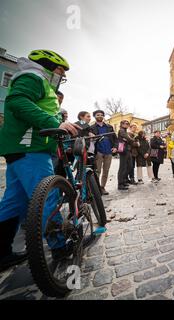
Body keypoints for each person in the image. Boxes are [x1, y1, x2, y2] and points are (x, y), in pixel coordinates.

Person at [0, 49, 80, 271]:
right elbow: (18, 102)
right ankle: (60, 246)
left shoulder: (39, 81)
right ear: (45, 66)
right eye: (59, 70)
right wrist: (53, 122)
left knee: (14, 202)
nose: (60, 76)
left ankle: (1, 253)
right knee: (47, 197)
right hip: (30, 147)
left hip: (21, 149)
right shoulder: (33, 77)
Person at [90, 110, 118, 195]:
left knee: (106, 171)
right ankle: (96, 189)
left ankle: (102, 187)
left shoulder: (109, 127)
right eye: (98, 115)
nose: (100, 116)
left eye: (101, 115)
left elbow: (115, 139)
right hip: (98, 152)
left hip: (108, 152)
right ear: (95, 116)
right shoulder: (92, 128)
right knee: (97, 171)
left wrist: (115, 147)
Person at [117, 120, 135, 190]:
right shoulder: (121, 131)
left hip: (128, 150)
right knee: (122, 167)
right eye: (125, 123)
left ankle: (124, 180)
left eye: (128, 124)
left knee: (129, 166)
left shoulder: (125, 132)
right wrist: (130, 139)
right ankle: (120, 184)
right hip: (123, 150)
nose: (127, 124)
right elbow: (129, 139)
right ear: (121, 124)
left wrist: (129, 139)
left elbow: (129, 140)